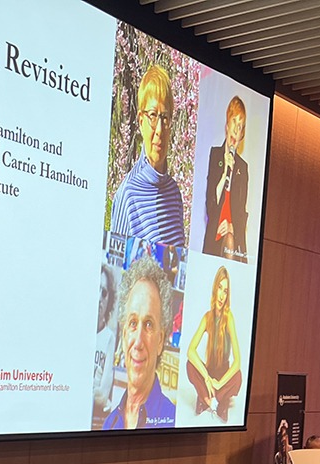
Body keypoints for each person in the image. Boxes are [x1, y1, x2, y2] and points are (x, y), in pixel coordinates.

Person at [110, 64, 185, 247]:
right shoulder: (127, 195)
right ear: (141, 120)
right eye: (153, 115)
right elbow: (116, 271)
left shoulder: (174, 194)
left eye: (165, 118)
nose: (159, 130)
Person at [104, 255, 176, 429]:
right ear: (123, 334)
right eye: (133, 323)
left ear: (160, 340)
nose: (138, 342)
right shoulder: (109, 424)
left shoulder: (173, 421)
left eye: (149, 324)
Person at [185, 265, 242, 423]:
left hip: (223, 376)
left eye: (226, 291)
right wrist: (207, 378)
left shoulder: (228, 317)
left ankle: (208, 397)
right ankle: (211, 401)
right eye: (220, 288)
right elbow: (190, 351)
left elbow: (237, 362)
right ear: (214, 289)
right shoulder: (207, 317)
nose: (222, 295)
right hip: (209, 373)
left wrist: (218, 384)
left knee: (238, 377)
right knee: (190, 365)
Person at [203, 96, 249, 260]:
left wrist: (232, 227)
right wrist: (224, 175)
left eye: (241, 126)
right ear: (227, 125)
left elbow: (242, 213)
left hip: (232, 234)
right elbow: (210, 203)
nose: (236, 130)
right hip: (215, 230)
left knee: (230, 240)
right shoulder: (215, 155)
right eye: (234, 122)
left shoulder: (243, 168)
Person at [93, 264, 118, 422]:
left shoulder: (109, 337)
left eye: (104, 293)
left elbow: (102, 396)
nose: (99, 299)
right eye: (97, 290)